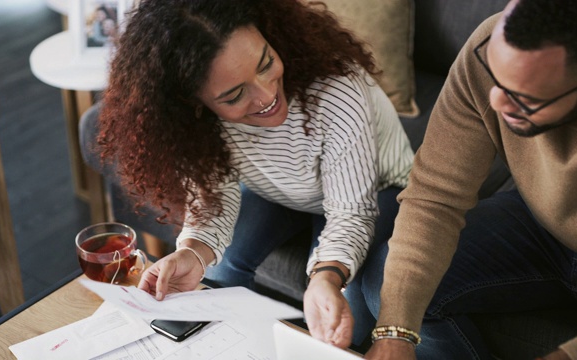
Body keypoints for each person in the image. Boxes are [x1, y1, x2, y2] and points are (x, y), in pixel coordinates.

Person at [96, 0, 413, 349]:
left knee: (349, 303)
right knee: (216, 272)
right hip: (283, 190)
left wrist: (325, 276)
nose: (266, 96)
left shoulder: (336, 90)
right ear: (194, 104)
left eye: (265, 64)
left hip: (379, 189)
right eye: (234, 95)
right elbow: (211, 197)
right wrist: (193, 251)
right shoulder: (197, 124)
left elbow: (350, 211)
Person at [362, 0, 577, 359]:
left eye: (522, 99)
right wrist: (394, 332)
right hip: (538, 222)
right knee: (387, 284)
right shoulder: (488, 46)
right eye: (495, 77)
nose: (496, 102)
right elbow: (434, 197)